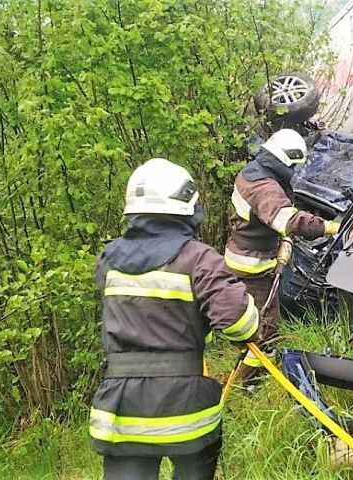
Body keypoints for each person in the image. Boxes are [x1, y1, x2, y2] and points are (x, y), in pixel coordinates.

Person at [89, 158, 259, 480]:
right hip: (186, 410)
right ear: (187, 207)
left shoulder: (107, 260)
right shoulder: (199, 259)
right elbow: (239, 323)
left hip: (122, 410)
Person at [224, 129, 339, 385]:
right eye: (294, 166)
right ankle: (248, 382)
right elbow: (289, 221)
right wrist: (329, 227)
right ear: (286, 160)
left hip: (241, 254)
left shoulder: (252, 172)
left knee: (254, 320)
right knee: (266, 327)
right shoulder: (264, 188)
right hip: (253, 266)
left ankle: (255, 364)